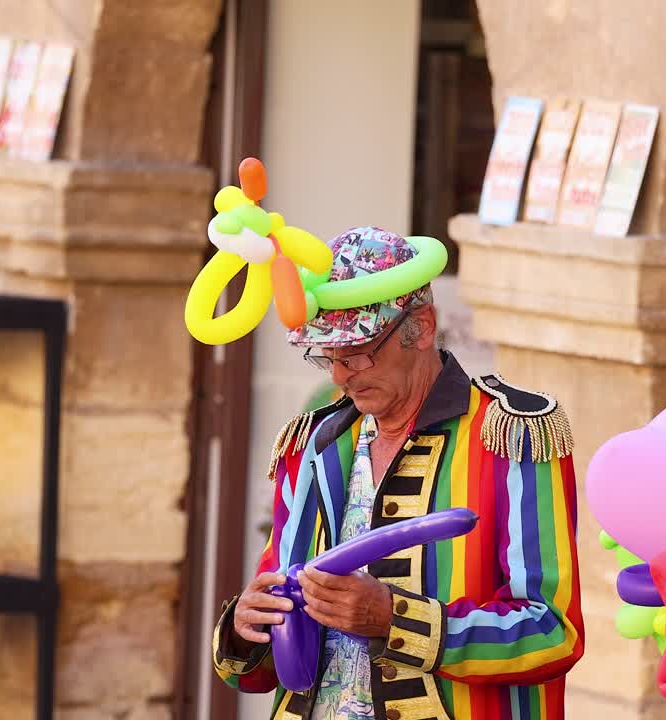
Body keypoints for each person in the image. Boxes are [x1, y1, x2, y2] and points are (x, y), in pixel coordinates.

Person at [212, 226, 584, 720]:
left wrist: (396, 618)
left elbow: (553, 632)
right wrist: (246, 624)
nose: (342, 375)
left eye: (359, 352)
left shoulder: (510, 434)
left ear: (423, 327)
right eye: (329, 356)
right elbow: (263, 659)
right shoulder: (311, 445)